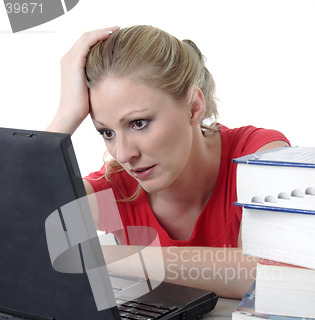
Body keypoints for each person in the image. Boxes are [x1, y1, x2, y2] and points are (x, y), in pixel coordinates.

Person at [46, 25, 290, 298]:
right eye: (107, 132)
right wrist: (65, 114)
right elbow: (17, 229)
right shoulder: (118, 190)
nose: (124, 154)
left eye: (138, 123)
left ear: (194, 107)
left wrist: (107, 257)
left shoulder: (258, 156)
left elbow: (267, 275)